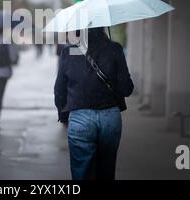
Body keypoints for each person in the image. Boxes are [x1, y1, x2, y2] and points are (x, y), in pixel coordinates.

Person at [54, 27, 134, 180]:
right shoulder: (115, 49)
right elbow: (126, 88)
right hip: (110, 117)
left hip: (80, 116)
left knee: (82, 172)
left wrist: (63, 114)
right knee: (106, 171)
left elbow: (59, 89)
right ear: (103, 27)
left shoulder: (68, 51)